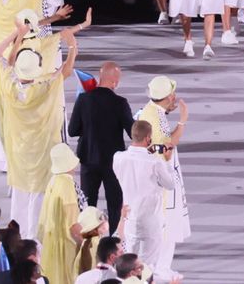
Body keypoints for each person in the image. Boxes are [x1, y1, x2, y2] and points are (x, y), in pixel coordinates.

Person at [0, 13, 90, 239]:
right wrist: (73, 47)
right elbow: (66, 70)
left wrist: (18, 35)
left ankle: (15, 241)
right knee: (39, 197)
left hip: (19, 151)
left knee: (19, 195)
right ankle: (34, 242)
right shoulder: (43, 87)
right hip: (41, 151)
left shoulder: (9, 83)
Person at [67, 62, 133, 237]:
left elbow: (72, 131)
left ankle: (89, 242)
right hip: (113, 162)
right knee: (114, 204)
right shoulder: (120, 103)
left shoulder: (83, 99)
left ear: (99, 77)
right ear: (115, 82)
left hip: (88, 159)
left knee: (88, 204)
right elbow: (133, 133)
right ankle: (114, 243)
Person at [135, 77, 190, 283]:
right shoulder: (156, 118)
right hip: (162, 180)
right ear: (168, 96)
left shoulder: (151, 111)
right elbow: (169, 145)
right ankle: (160, 271)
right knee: (166, 227)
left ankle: (161, 268)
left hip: (156, 177)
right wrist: (183, 120)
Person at [112, 120, 176, 284]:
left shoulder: (118, 158)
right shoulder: (155, 162)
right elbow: (170, 184)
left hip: (130, 219)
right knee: (147, 268)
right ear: (148, 138)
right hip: (150, 220)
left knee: (127, 266)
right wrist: (168, 161)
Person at [36, 143, 83, 284]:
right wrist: (85, 243)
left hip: (51, 241)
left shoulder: (53, 180)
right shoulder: (67, 184)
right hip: (66, 244)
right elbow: (72, 223)